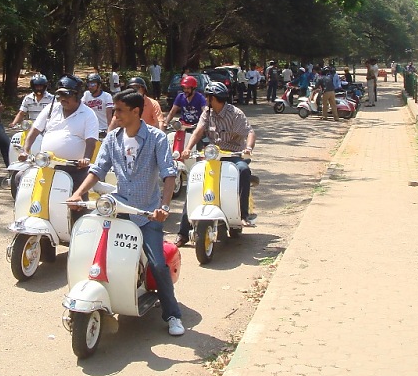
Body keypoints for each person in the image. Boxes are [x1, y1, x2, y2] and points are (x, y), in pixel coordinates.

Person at [66, 88, 185, 337]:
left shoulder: (156, 138)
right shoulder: (112, 139)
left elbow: (168, 174)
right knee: (96, 250)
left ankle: (172, 314)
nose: (115, 115)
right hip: (118, 207)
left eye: (119, 110)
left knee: (157, 264)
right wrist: (78, 194)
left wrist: (163, 207)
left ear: (135, 111)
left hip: (147, 212)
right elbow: (97, 170)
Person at [176, 82, 256, 246]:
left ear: (213, 98)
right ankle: (183, 233)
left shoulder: (235, 114)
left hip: (232, 155)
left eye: (207, 97)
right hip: (212, 155)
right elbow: (198, 130)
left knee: (243, 170)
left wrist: (248, 148)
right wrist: (188, 148)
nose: (206, 100)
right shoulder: (208, 112)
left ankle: (243, 214)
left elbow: (249, 132)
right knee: (195, 182)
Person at [19, 75, 99, 193]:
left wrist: (86, 159)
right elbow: (34, 130)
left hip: (74, 168)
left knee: (78, 199)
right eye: (60, 95)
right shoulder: (51, 108)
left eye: (66, 95)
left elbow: (91, 140)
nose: (62, 99)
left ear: (77, 95)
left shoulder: (88, 114)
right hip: (47, 164)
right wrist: (25, 150)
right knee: (20, 177)